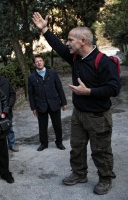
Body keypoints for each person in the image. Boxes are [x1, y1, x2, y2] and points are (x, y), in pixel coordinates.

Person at [32, 12, 121, 195]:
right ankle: (79, 173)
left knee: (100, 150)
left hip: (98, 116)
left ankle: (105, 179)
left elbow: (114, 89)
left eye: (70, 39)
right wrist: (45, 30)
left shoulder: (102, 61)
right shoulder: (75, 58)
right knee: (77, 147)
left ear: (82, 41)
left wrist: (89, 92)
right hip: (78, 114)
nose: (67, 43)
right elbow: (57, 45)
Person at [28, 54, 67, 151]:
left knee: (57, 125)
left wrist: (63, 102)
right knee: (42, 126)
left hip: (54, 103)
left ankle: (59, 142)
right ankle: (44, 143)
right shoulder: (32, 77)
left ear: (43, 62)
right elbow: (31, 94)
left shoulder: (52, 73)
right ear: (34, 64)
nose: (39, 63)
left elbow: (59, 88)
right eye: (37, 61)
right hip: (41, 105)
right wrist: (33, 108)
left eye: (40, 60)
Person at [0, 64, 19, 152]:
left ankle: (12, 144)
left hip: (7, 110)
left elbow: (12, 94)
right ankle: (0, 147)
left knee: (9, 128)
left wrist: (9, 106)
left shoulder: (5, 81)